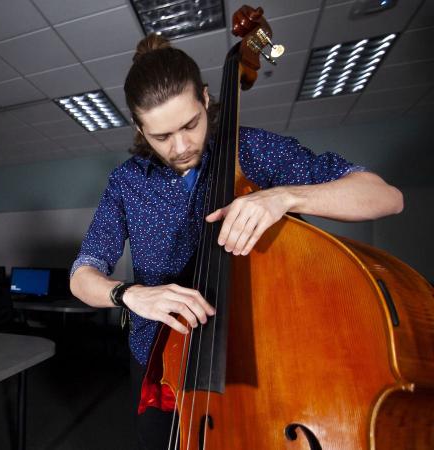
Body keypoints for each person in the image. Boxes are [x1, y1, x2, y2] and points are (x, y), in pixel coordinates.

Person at [68, 34, 404, 450]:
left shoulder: (251, 149)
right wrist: (128, 294)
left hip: (254, 355)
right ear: (140, 129)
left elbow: (385, 196)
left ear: (206, 99)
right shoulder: (125, 182)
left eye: (190, 124)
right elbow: (82, 275)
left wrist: (286, 196)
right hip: (159, 361)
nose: (181, 147)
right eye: (161, 136)